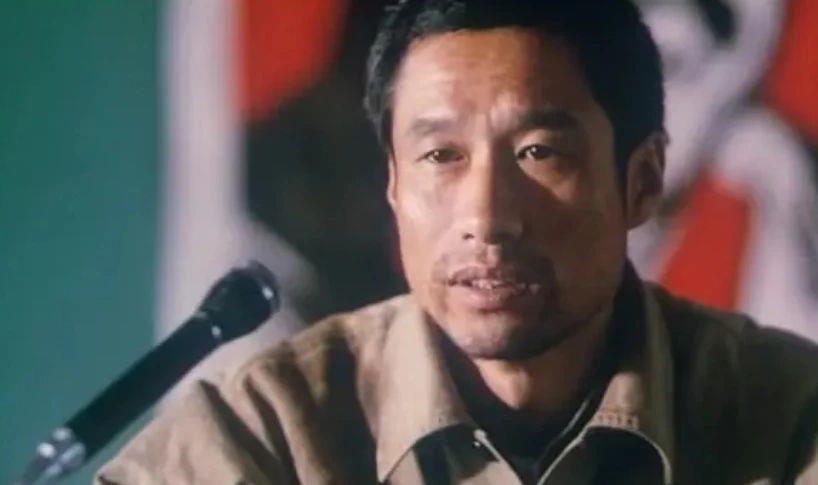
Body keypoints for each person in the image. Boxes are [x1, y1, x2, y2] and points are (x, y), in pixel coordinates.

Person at [97, 1, 818, 483]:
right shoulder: (266, 429)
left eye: (538, 153)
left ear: (642, 180)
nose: (485, 216)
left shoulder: (788, 416)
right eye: (440, 156)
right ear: (390, 183)